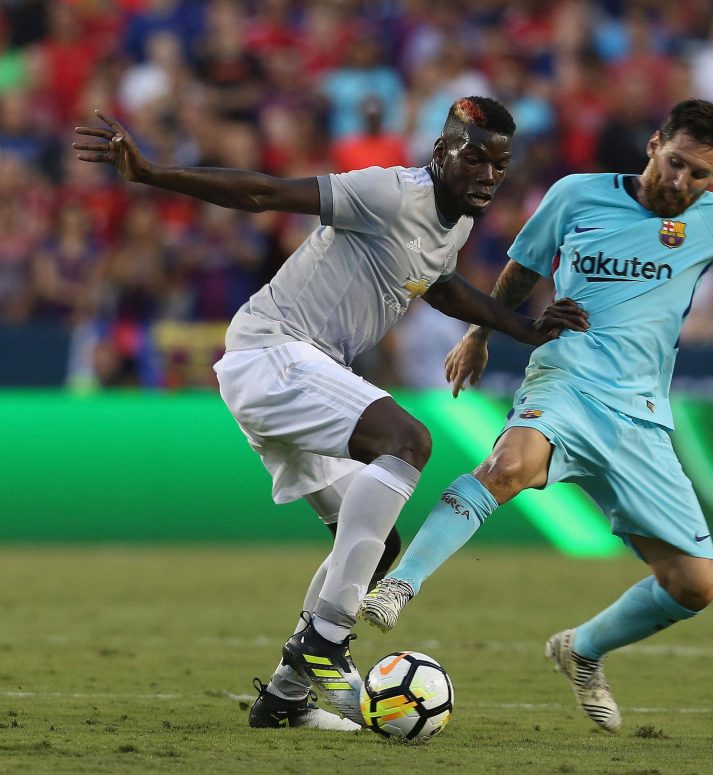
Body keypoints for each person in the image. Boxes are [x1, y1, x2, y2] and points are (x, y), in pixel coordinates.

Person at [357, 99, 713, 733]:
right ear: (656, 144)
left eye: (701, 175)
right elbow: (521, 271)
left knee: (694, 585)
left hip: (642, 416)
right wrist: (479, 335)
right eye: (677, 164)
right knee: (509, 464)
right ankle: (400, 585)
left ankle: (582, 649)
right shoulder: (576, 195)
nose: (683, 184)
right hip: (566, 375)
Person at [73, 96, 589, 730]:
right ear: (440, 154)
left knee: (376, 538)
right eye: (473, 158)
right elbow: (265, 193)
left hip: (305, 372)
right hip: (274, 351)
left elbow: (440, 283)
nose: (486, 174)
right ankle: (324, 642)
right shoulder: (391, 192)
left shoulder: (453, 224)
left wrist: (523, 327)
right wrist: (152, 174)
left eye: (498, 165)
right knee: (408, 442)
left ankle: (286, 697)